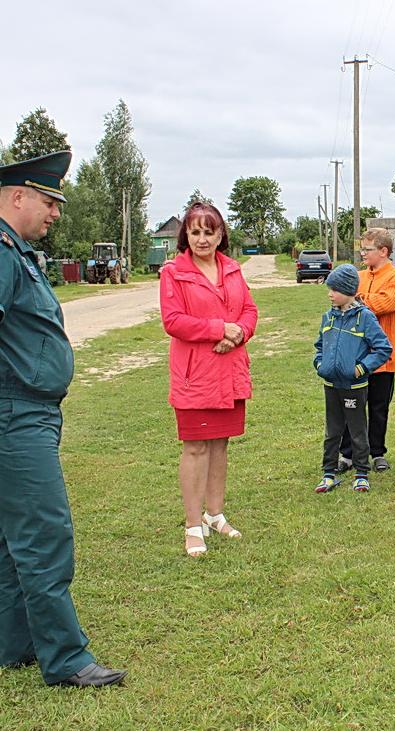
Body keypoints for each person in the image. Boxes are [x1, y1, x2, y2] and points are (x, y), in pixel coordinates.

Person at [0, 151, 126, 687]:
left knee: (12, 541)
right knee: (45, 534)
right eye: (49, 201)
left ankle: (14, 644)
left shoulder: (17, 252)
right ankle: (67, 658)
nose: (55, 213)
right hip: (15, 414)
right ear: (17, 196)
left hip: (27, 410)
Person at [160, 202, 258, 557]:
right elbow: (173, 321)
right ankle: (192, 525)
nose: (202, 239)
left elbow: (249, 310)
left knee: (220, 445)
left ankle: (215, 513)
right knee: (196, 446)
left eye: (208, 232)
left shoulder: (232, 269)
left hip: (229, 371)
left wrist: (237, 334)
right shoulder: (174, 272)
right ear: (186, 235)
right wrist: (218, 328)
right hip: (195, 375)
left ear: (220, 235)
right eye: (195, 231)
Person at [314, 264, 392, 494]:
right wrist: (320, 364)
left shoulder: (365, 317)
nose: (329, 294)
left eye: (334, 289)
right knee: (332, 431)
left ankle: (361, 473)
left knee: (358, 430)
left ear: (348, 291)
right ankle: (328, 474)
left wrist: (361, 369)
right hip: (331, 385)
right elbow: (319, 346)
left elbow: (383, 348)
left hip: (355, 386)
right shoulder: (328, 317)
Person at [337, 228, 395, 474]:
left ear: (384, 251)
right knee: (350, 405)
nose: (362, 253)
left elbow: (383, 304)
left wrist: (357, 298)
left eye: (367, 249)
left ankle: (377, 453)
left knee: (378, 408)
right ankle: (346, 454)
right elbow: (343, 301)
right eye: (362, 249)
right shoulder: (359, 275)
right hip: (355, 356)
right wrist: (357, 298)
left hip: (383, 359)